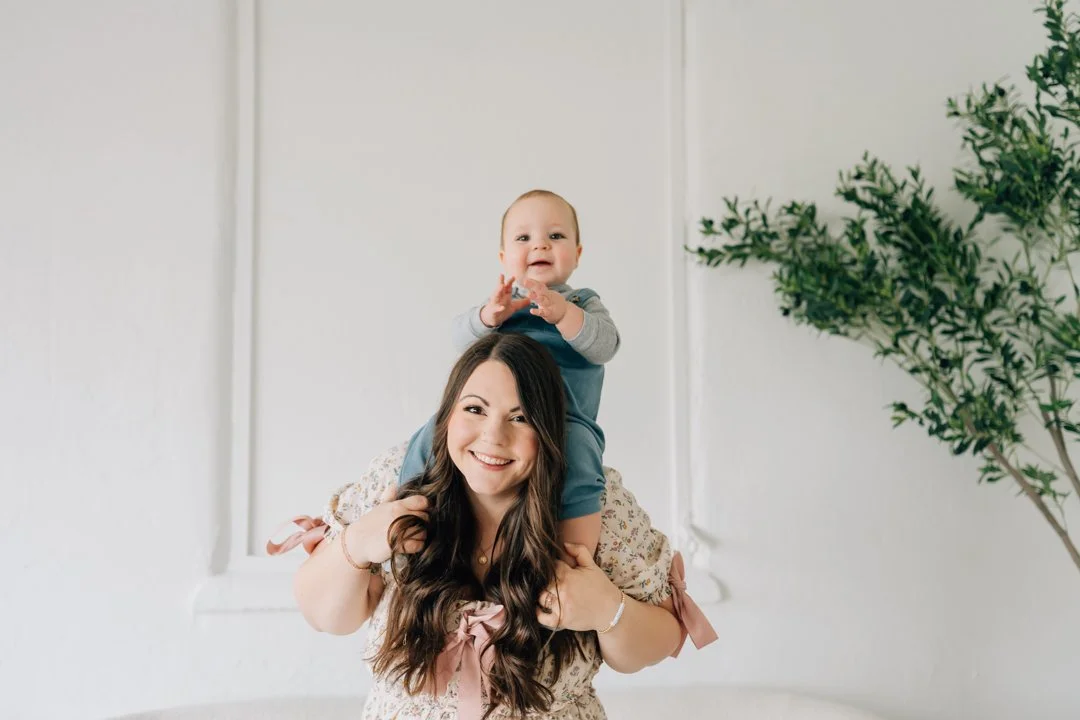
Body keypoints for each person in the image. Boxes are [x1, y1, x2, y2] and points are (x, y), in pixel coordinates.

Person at [277, 334, 716, 719]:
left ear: (550, 429)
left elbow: (660, 639)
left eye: (520, 417)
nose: (493, 437)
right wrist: (356, 543)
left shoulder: (592, 503)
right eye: (475, 409)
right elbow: (325, 616)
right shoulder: (399, 479)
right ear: (447, 415)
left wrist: (607, 609)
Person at [398, 189, 618, 559]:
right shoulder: (505, 304)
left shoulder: (582, 303)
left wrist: (565, 315)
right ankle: (409, 505)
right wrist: (488, 317)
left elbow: (606, 346)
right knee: (438, 425)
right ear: (503, 257)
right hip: (500, 413)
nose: (540, 246)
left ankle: (575, 552)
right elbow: (459, 339)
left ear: (578, 254)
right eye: (523, 237)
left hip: (563, 418)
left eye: (556, 236)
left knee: (579, 451)